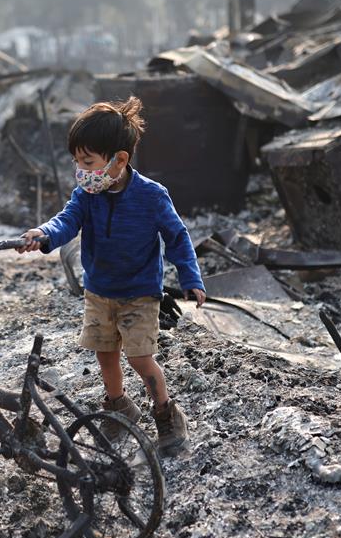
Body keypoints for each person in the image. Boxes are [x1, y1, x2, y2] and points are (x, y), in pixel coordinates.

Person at [19, 97, 206, 452]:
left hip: (139, 293)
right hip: (99, 291)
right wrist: (43, 235)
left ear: (119, 159)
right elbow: (65, 221)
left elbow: (177, 236)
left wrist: (190, 277)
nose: (81, 170)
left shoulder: (152, 196)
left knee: (138, 357)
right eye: (76, 162)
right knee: (104, 352)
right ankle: (118, 406)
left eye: (88, 162)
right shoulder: (86, 195)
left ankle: (165, 413)